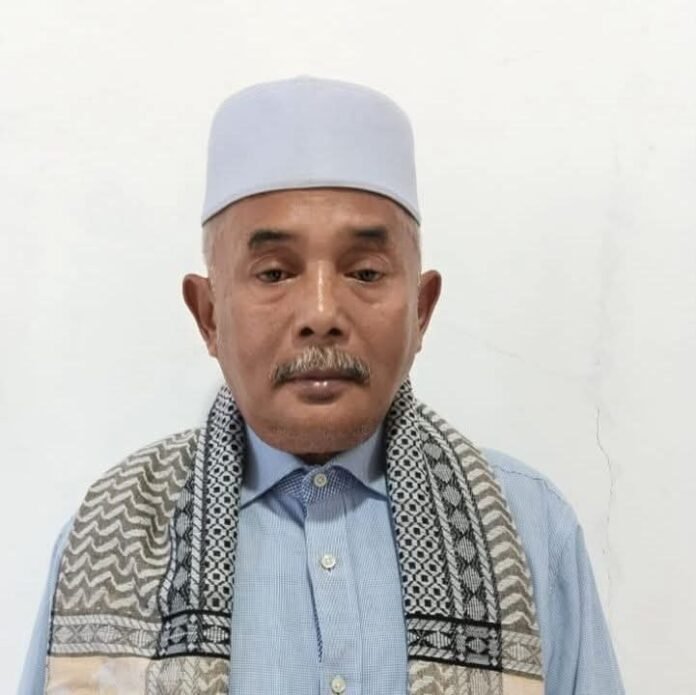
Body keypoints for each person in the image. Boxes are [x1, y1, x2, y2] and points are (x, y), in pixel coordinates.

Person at [20, 76, 624, 694]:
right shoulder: (108, 540)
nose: (320, 313)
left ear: (421, 310)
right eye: (273, 273)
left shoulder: (529, 529)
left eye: (365, 272)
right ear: (208, 315)